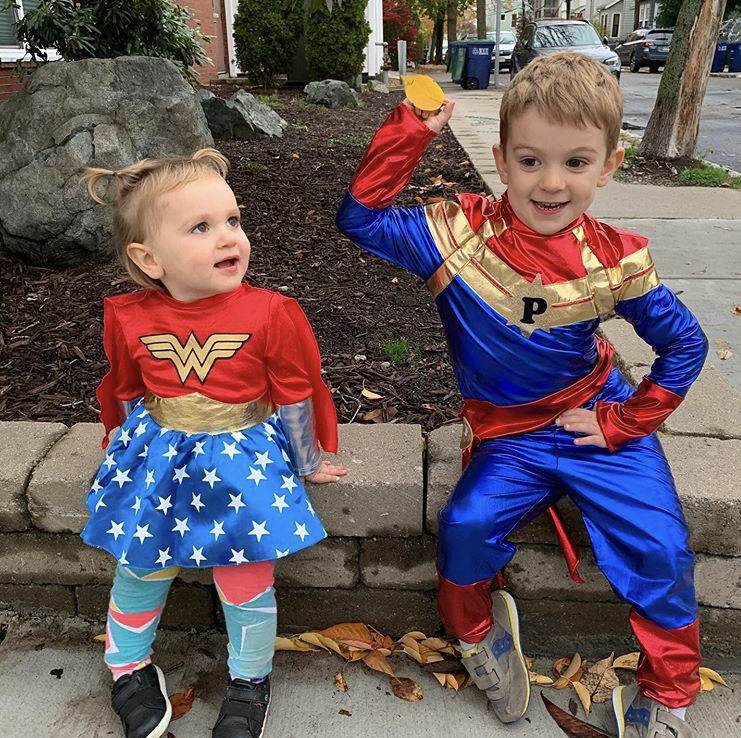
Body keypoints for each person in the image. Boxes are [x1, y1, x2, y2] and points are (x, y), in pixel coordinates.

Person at [336, 52, 707, 738]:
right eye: (530, 161)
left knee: (660, 548)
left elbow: (685, 344)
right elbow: (360, 218)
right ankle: (481, 639)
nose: (551, 182)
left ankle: (670, 691)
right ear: (501, 161)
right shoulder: (455, 235)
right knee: (464, 528)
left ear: (608, 166)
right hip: (509, 436)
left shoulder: (613, 257)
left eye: (575, 162)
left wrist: (626, 421)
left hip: (595, 421)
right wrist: (411, 131)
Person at [81, 148, 347, 738]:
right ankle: (127, 668)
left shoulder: (270, 312)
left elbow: (295, 391)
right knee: (140, 567)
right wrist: (118, 449)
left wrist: (306, 460)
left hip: (241, 461)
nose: (229, 237)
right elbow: (124, 388)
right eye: (200, 228)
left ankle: (250, 681)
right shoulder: (129, 316)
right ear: (148, 258)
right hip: (157, 459)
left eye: (232, 220)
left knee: (247, 578)